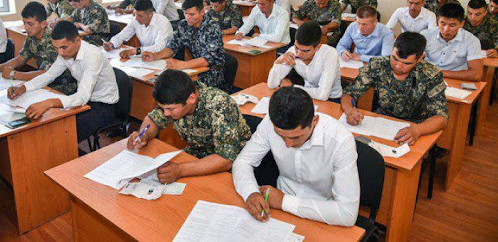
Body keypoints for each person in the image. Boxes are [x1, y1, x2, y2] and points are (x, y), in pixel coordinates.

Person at [232, 87, 359, 226]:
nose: (288, 144)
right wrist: (250, 192)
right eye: (281, 137)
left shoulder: (340, 140)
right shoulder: (270, 123)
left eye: (296, 137)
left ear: (314, 121)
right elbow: (243, 161)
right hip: (276, 208)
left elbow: (347, 213)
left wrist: (284, 201)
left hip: (322, 213)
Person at [127, 69, 251, 184]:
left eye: (170, 109)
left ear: (191, 98)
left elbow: (226, 159)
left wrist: (180, 170)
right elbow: (153, 119)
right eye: (163, 108)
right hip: (198, 155)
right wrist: (144, 135)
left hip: (234, 164)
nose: (166, 114)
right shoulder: (175, 99)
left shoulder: (220, 105)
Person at [8, 21, 119, 146]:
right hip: (84, 102)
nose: (60, 52)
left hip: (103, 107)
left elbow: (82, 96)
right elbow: (49, 75)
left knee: (62, 134)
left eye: (63, 47)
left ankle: (69, 159)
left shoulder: (93, 56)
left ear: (77, 41)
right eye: (56, 48)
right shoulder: (65, 54)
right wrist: (24, 87)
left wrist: (49, 103)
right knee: (51, 125)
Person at [341, 32, 448, 145]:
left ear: (420, 58)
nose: (398, 66)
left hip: (414, 126)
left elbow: (441, 117)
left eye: (406, 63)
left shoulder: (431, 75)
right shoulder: (378, 65)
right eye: (395, 59)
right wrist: (350, 111)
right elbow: (349, 94)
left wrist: (417, 130)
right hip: (380, 122)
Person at [142, 0, 225, 87]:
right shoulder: (183, 25)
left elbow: (207, 59)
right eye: (185, 13)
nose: (187, 17)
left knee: (174, 87)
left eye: (192, 14)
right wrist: (156, 55)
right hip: (193, 68)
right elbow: (172, 47)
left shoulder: (212, 27)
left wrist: (182, 65)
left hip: (211, 74)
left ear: (202, 12)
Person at [0, 2, 76, 94]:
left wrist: (13, 74)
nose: (26, 28)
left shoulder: (53, 40)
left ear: (43, 24)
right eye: (24, 23)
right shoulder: (31, 36)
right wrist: (2, 67)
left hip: (61, 87)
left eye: (30, 24)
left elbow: (45, 74)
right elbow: (21, 58)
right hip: (43, 82)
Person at [267, 22, 342, 101]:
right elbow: (272, 85)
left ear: (318, 47)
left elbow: (322, 95)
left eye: (305, 51)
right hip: (306, 94)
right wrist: (277, 63)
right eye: (296, 47)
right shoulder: (292, 51)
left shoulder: (330, 54)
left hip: (332, 99)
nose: (299, 53)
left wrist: (292, 87)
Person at [421, 3, 484, 81]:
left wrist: (439, 73)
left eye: (452, 25)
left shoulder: (471, 40)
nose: (446, 29)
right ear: (437, 21)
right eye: (442, 23)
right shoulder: (425, 35)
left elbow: (476, 75)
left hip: (456, 79)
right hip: (427, 78)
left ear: (462, 24)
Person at [104, 0, 173, 58]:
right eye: (135, 14)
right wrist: (112, 44)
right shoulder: (136, 20)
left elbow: (159, 47)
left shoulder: (163, 22)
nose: (136, 18)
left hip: (163, 57)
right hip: (145, 57)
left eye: (140, 15)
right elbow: (122, 35)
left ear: (150, 14)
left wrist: (136, 51)